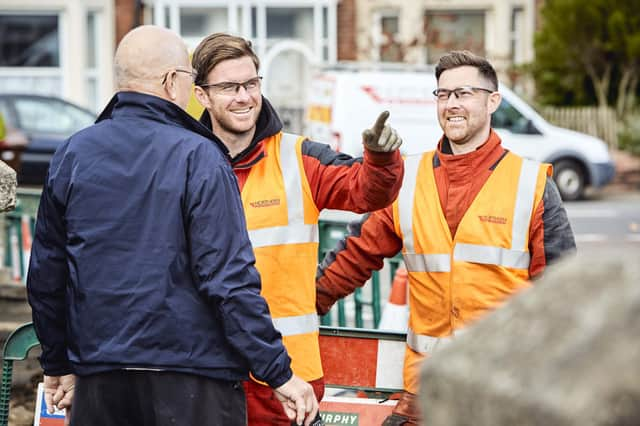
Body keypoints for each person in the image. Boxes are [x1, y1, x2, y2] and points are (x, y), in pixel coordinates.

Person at [26, 25, 318, 426]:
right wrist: (278, 372)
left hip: (100, 379)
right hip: (194, 381)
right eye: (186, 78)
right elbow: (228, 279)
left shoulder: (72, 154)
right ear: (170, 81)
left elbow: (46, 276)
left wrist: (58, 362)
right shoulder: (199, 156)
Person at [315, 50, 576, 425]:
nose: (452, 104)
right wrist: (298, 311)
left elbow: (562, 294)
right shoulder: (407, 180)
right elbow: (353, 257)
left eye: (464, 93)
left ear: (493, 101)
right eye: (444, 94)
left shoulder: (532, 185)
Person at [190, 33, 404, 425]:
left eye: (251, 84)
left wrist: (381, 159)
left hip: (287, 378)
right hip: (207, 373)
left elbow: (365, 191)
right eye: (228, 87)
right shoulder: (186, 161)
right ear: (202, 96)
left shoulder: (298, 158)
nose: (243, 97)